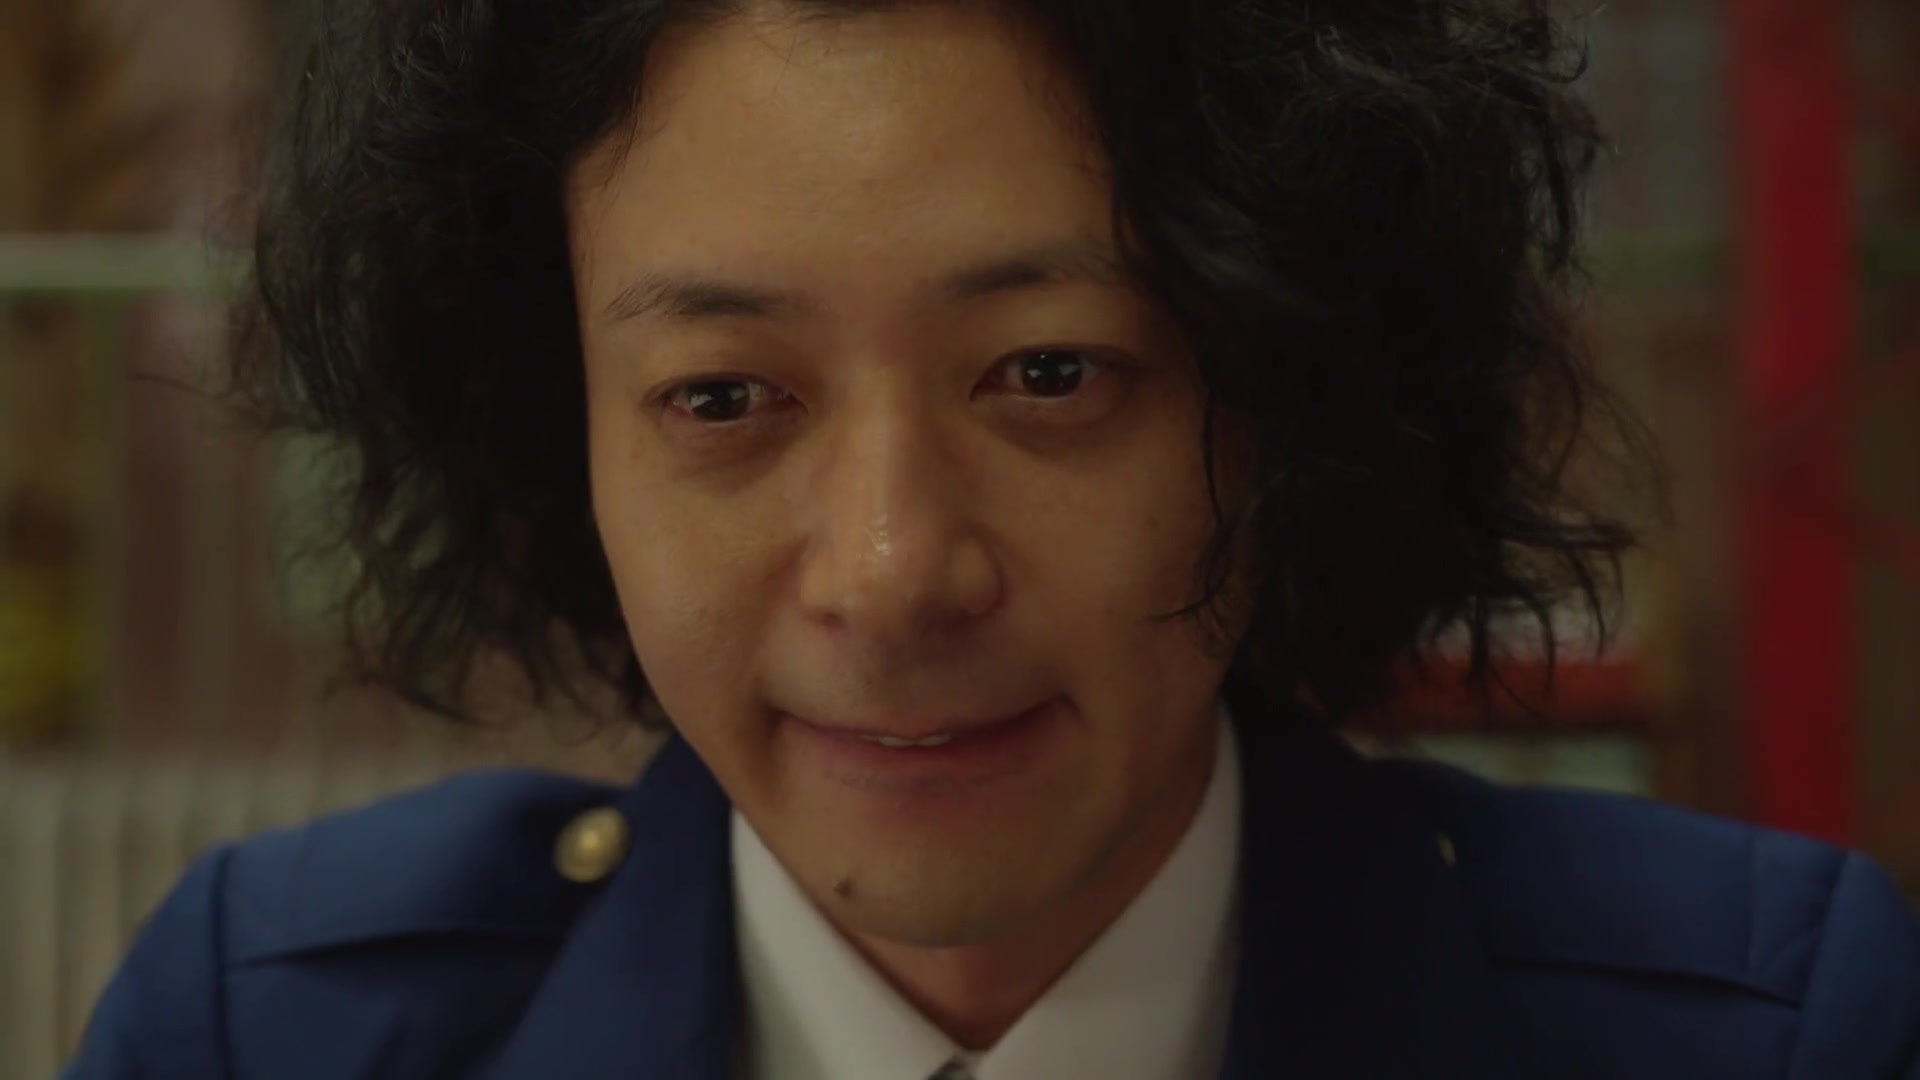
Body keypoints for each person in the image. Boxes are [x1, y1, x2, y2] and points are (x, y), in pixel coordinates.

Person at [66, 1, 1920, 1077]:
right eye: (723, 396)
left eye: (1050, 373)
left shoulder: (1756, 1033)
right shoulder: (274, 1030)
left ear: (1286, 393)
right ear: (561, 434)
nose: (891, 573)